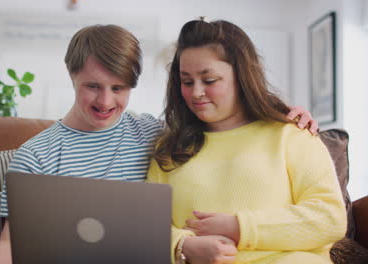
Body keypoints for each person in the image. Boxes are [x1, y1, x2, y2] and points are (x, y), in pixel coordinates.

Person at [0, 24, 318, 264]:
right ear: (72, 75)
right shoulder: (36, 155)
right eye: (92, 86)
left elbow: (220, 123)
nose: (105, 101)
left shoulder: (154, 135)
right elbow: (10, 241)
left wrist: (277, 111)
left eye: (119, 89)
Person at [147, 19, 347, 264]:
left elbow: (330, 219)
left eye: (209, 80)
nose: (196, 92)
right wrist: (183, 245)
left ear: (242, 77)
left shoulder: (292, 135)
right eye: (187, 82)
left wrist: (240, 227)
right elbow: (148, 226)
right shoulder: (169, 149)